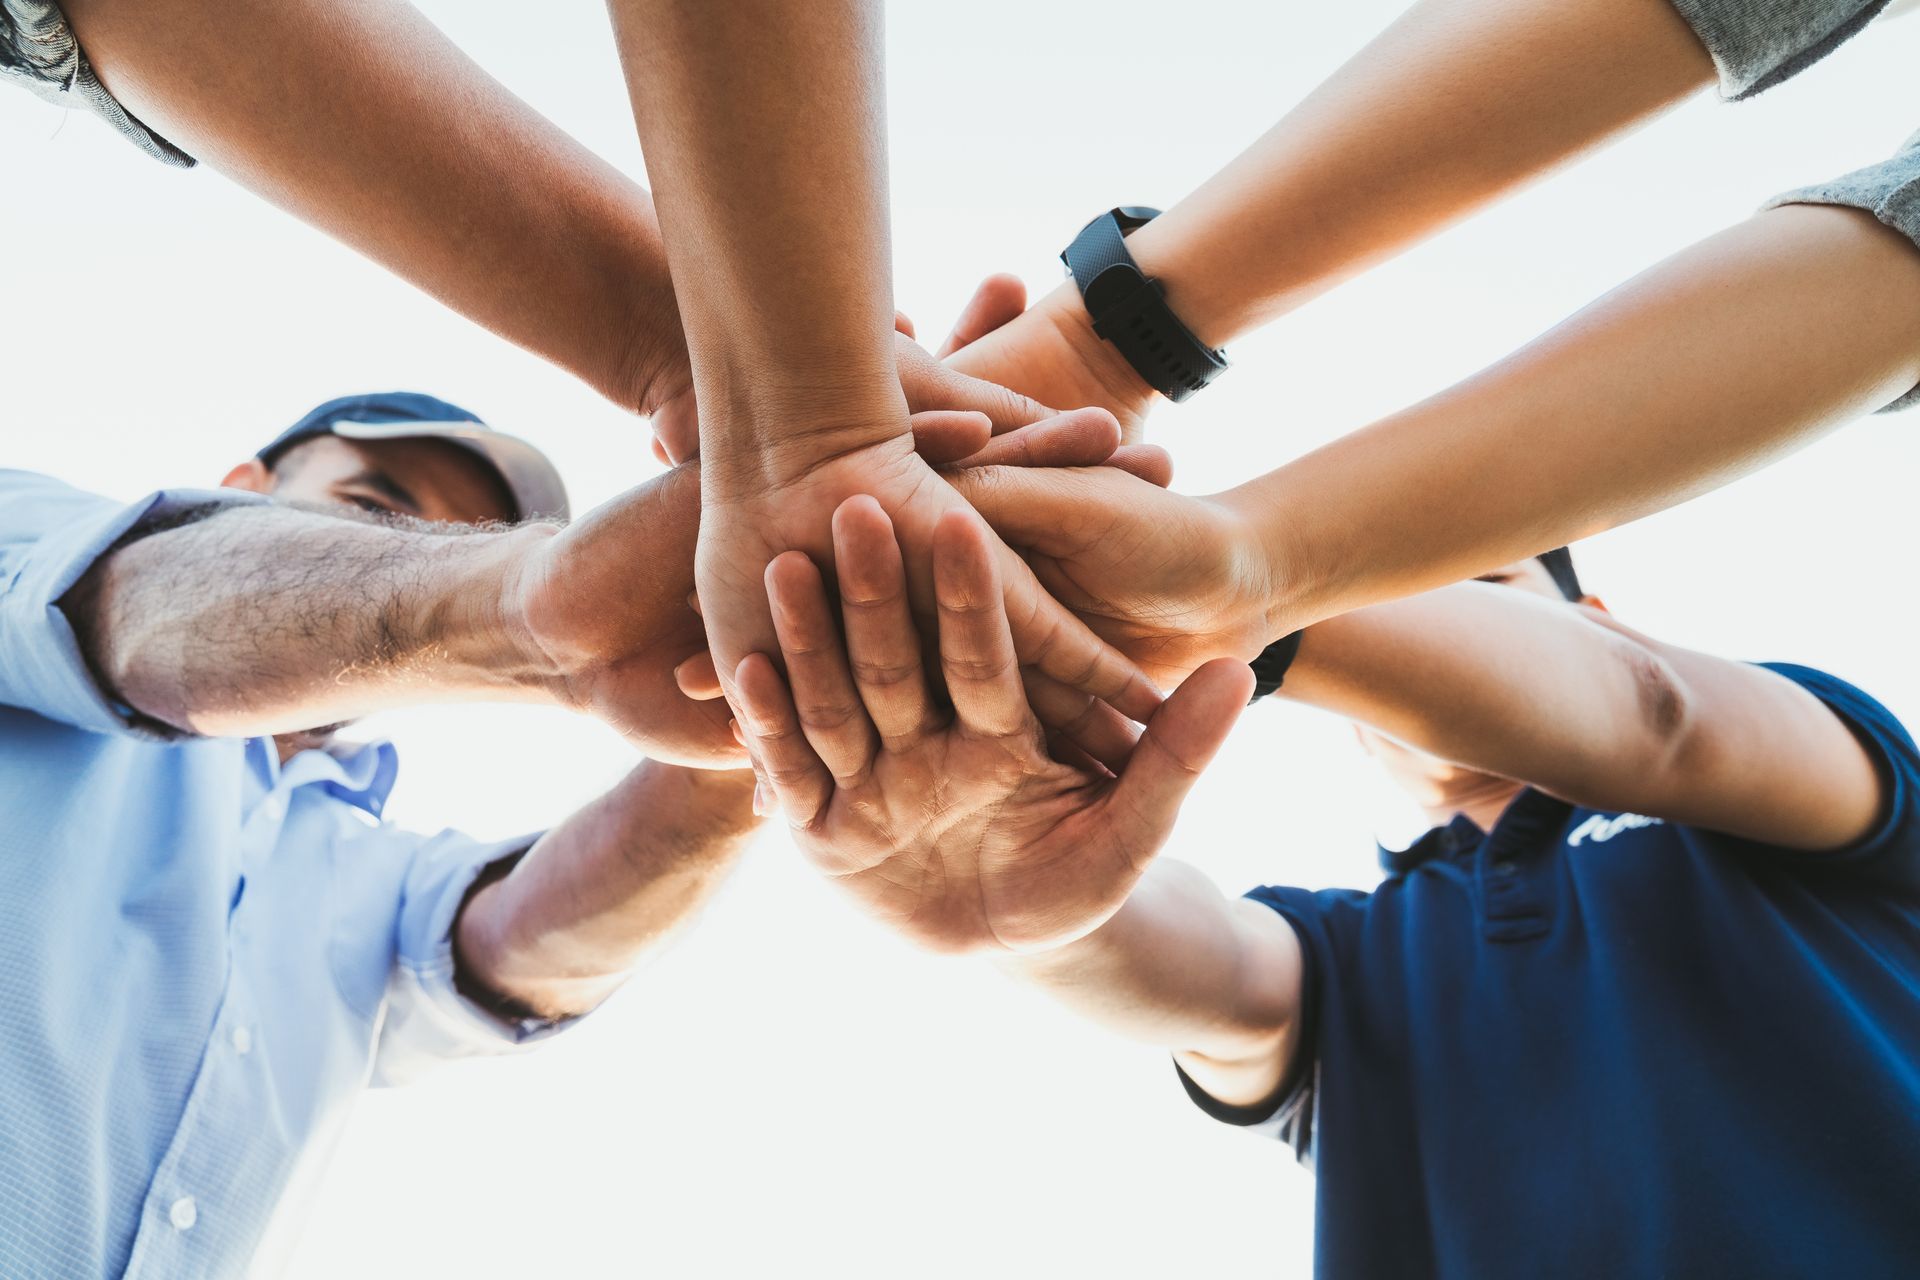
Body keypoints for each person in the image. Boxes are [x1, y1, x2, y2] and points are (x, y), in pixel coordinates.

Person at [734, 505, 1920, 1278]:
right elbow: (1201, 968)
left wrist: (1229, 597)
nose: (1435, 631)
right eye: (1410, 598)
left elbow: (1654, 712)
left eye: (1480, 586)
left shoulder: (1786, 786)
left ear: (1597, 622)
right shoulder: (1348, 955)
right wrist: (1034, 912)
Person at [0, 392, 769, 1278]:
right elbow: (138, 602)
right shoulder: (31, 532)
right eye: (372, 510)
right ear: (243, 485)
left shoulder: (361, 871)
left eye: (457, 545)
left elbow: (530, 943)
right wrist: (533, 612)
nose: (417, 562)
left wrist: (756, 709)